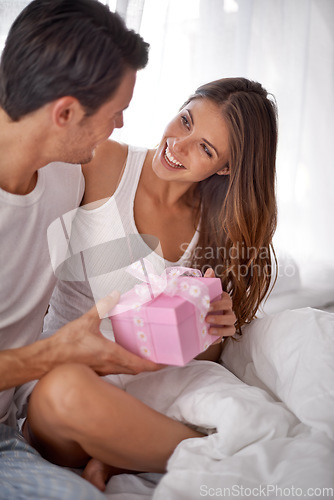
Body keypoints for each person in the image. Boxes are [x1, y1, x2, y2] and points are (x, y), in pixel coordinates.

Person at [23, 77, 278, 491]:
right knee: (62, 392)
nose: (178, 144)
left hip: (149, 389)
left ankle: (126, 452)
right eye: (185, 121)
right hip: (70, 375)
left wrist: (210, 323)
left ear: (226, 167)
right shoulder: (103, 163)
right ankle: (214, 451)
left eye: (205, 148)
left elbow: (201, 358)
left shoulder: (216, 229)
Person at [0, 0, 162, 498]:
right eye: (114, 115)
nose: (117, 128)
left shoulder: (67, 177)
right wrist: (54, 353)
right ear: (66, 112)